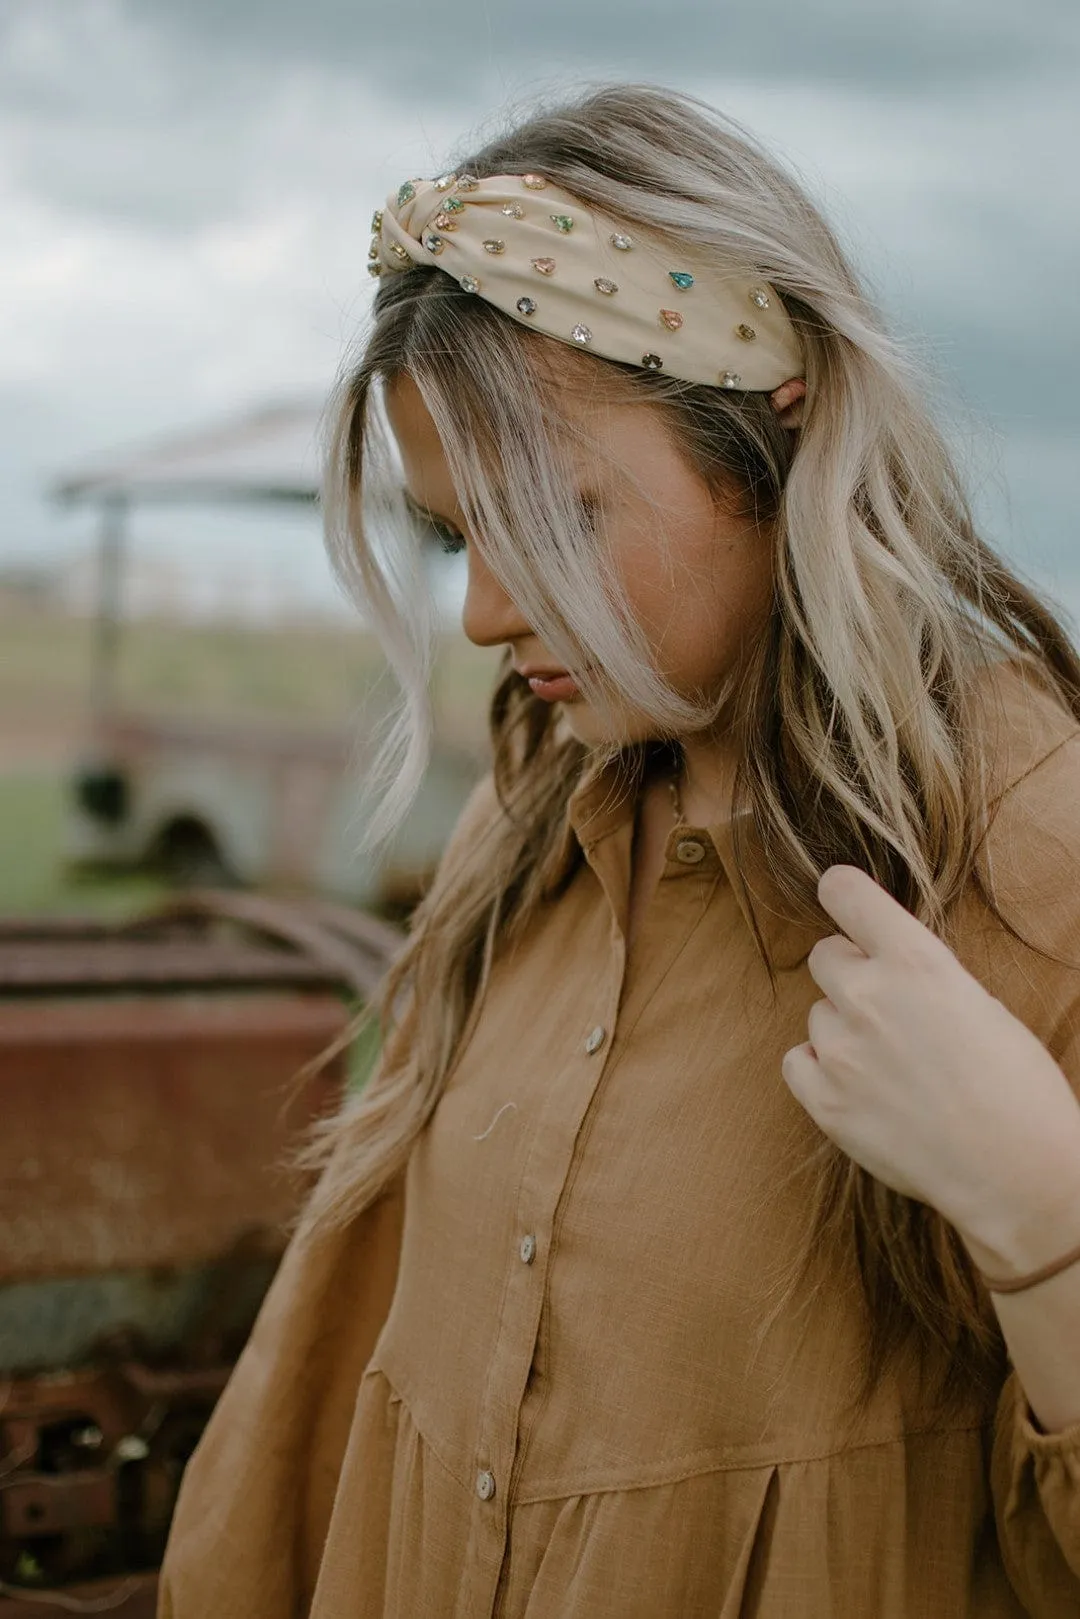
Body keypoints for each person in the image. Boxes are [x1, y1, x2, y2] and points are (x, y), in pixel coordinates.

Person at [158, 83, 1080, 1616]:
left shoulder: (1032, 854)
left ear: (771, 436)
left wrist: (1050, 1224)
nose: (481, 614)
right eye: (461, 536)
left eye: (558, 515)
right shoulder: (528, 822)